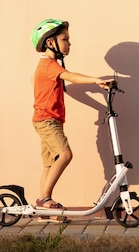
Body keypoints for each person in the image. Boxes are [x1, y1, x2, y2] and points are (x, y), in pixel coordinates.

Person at [30, 18, 112, 210]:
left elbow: (33, 80)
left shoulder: (46, 67)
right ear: (51, 43)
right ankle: (44, 199)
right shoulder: (50, 66)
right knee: (65, 154)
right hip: (47, 120)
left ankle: (44, 207)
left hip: (47, 119)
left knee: (49, 164)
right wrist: (94, 80)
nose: (69, 43)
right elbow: (71, 76)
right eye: (65, 39)